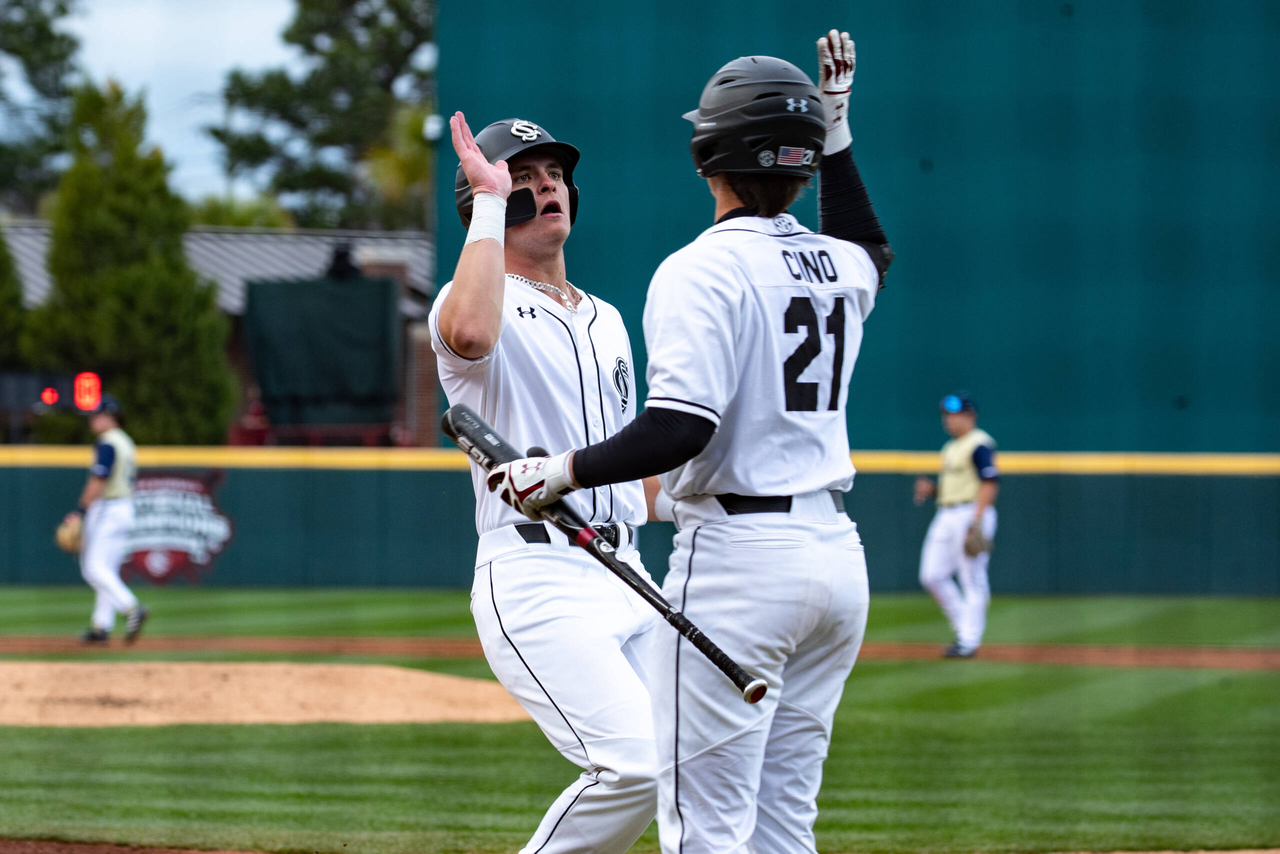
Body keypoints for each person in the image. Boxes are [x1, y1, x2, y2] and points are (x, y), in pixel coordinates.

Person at [484, 30, 892, 854]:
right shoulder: (840, 266)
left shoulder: (699, 268)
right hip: (838, 562)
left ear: (708, 153)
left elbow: (681, 429)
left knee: (704, 824)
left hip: (743, 564)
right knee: (784, 819)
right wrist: (836, 132)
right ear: (802, 164)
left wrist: (559, 470)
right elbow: (872, 247)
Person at [429, 113, 660, 853]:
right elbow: (468, 335)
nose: (547, 187)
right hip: (539, 573)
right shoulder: (471, 304)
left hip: (630, 569)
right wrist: (489, 203)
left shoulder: (610, 319)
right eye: (524, 178)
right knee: (633, 768)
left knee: (694, 768)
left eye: (553, 175)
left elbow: (639, 469)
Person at [914, 392, 1000, 658]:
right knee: (931, 575)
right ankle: (964, 626)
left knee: (972, 578)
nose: (949, 420)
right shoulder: (951, 447)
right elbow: (956, 488)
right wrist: (934, 490)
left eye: (955, 414)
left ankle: (968, 640)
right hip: (947, 512)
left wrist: (976, 520)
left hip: (971, 513)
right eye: (947, 415)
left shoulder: (979, 443)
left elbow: (990, 482)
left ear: (970, 416)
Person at [70, 395, 147, 644]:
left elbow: (98, 481)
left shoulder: (107, 443)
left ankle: (131, 607)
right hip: (125, 507)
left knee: (93, 567)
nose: (92, 420)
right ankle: (101, 626)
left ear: (108, 417)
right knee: (107, 569)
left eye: (96, 415)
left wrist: (80, 511)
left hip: (108, 508)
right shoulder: (125, 441)